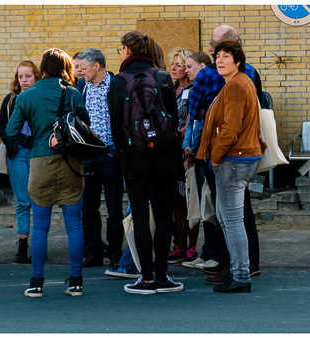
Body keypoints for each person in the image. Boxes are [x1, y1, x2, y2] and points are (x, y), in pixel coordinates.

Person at [6, 48, 88, 298]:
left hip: (40, 162)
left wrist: (32, 144)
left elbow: (11, 131)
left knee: (40, 225)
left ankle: (36, 283)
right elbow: (86, 126)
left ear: (42, 69)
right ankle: (75, 282)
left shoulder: (27, 96)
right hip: (70, 163)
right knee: (74, 225)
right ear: (65, 68)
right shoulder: (72, 93)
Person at [107, 31, 183, 295]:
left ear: (128, 50)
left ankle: (146, 278)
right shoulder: (162, 76)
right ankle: (162, 277)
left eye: (120, 49)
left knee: (140, 217)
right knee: (164, 217)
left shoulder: (118, 81)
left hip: (133, 157)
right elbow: (172, 119)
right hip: (164, 156)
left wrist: (122, 150)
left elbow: (115, 125)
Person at [186, 25, 263, 281]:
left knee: (231, 220)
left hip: (233, 159)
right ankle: (237, 269)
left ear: (238, 61)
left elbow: (229, 129)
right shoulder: (237, 82)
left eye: (226, 57)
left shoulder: (237, 86)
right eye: (217, 56)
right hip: (234, 157)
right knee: (229, 217)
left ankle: (239, 274)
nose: (220, 61)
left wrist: (215, 156)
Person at [74, 48, 125, 268]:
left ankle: (114, 251)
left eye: (83, 68)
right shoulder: (81, 86)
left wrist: (117, 149)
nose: (79, 72)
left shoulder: (117, 84)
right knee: (89, 206)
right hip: (88, 154)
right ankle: (93, 251)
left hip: (111, 153)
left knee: (114, 207)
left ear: (97, 66)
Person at [0, 60, 37, 264]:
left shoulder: (40, 97)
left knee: (39, 201)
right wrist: (9, 142)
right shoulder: (11, 99)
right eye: (20, 76)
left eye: (28, 76)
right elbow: (1, 125)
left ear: (36, 77)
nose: (24, 80)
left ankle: (39, 245)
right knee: (22, 201)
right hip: (18, 153)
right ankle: (22, 245)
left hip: (37, 153)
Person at [180, 51, 215, 270]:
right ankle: (207, 251)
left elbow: (201, 121)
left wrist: (197, 147)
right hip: (195, 153)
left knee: (210, 205)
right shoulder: (195, 91)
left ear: (203, 66)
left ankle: (212, 252)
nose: (186, 70)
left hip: (205, 154)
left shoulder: (208, 90)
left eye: (190, 66)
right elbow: (191, 122)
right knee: (203, 206)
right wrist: (187, 144)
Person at [165, 48, 198, 265]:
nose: (175, 69)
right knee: (176, 201)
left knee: (190, 200)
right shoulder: (170, 89)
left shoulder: (194, 90)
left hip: (187, 149)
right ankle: (180, 245)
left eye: (180, 65)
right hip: (170, 149)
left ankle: (192, 247)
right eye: (173, 64)